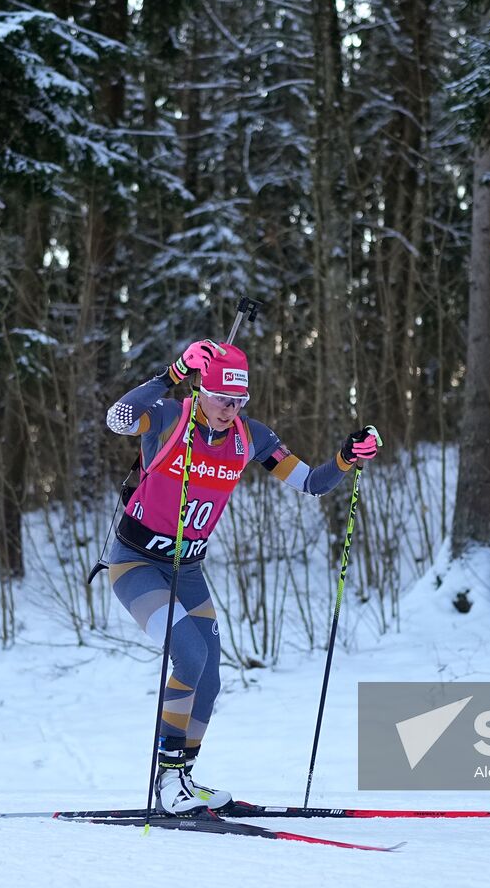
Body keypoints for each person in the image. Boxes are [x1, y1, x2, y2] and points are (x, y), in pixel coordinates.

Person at [104, 339, 379, 814]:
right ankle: (166, 781)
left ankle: (184, 778)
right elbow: (118, 420)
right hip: (136, 564)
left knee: (208, 678)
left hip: (187, 569)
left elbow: (311, 482)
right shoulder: (169, 416)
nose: (229, 409)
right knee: (187, 656)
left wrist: (346, 459)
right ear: (200, 391)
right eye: (220, 398)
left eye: (238, 401)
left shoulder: (251, 438)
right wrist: (172, 373)